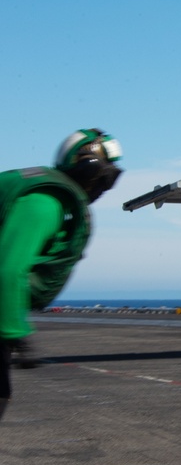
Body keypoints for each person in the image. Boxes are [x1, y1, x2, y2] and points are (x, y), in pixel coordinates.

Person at [0, 129, 123, 420]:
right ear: (87, 169)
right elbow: (7, 270)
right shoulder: (45, 204)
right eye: (105, 177)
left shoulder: (46, 196)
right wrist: (16, 333)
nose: (105, 187)